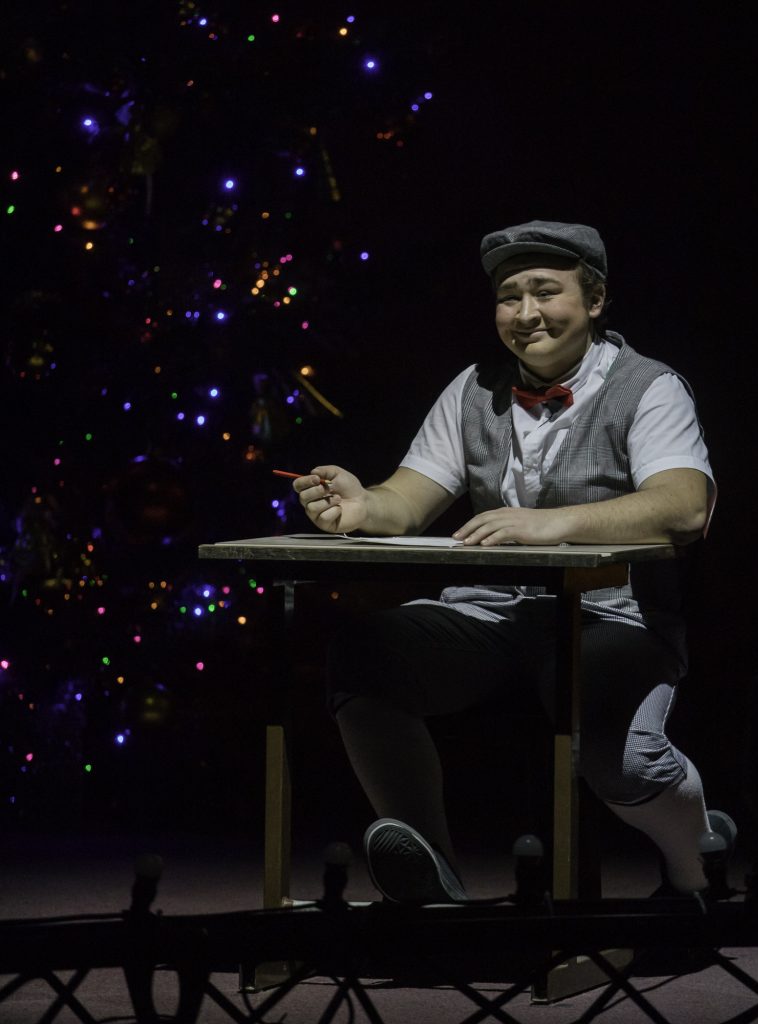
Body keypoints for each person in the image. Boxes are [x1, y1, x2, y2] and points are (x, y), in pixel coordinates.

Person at [294, 220, 719, 904]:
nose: (525, 314)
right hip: (488, 615)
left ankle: (697, 873)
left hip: (610, 615)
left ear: (595, 299)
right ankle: (432, 877)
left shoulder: (649, 386)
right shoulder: (474, 388)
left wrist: (553, 525)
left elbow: (684, 506)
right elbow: (406, 500)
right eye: (509, 297)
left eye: (545, 292)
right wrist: (361, 506)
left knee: (623, 756)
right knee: (366, 653)